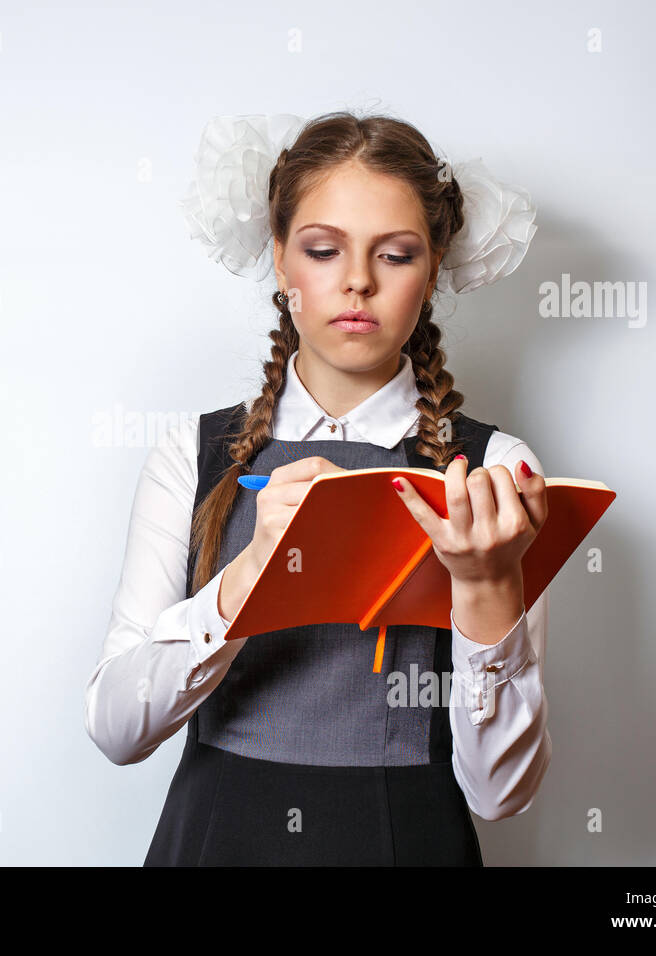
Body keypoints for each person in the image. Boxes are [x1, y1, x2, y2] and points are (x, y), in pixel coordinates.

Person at [84, 110, 552, 866]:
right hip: (217, 838)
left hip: (408, 842)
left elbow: (501, 794)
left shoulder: (494, 471)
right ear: (280, 260)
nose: (358, 280)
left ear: (433, 269)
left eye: (395, 254)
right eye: (324, 250)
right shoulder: (192, 457)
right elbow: (115, 729)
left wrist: (488, 587)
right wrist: (245, 581)